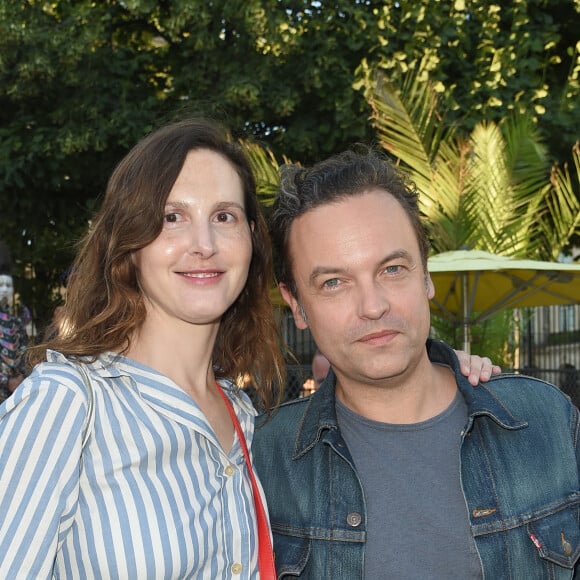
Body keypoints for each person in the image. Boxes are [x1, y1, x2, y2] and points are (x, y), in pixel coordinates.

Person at [252, 147, 580, 578]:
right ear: (296, 304)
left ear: (425, 274)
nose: (372, 306)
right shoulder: (263, 461)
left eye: (392, 269)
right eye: (334, 282)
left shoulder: (547, 423)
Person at [0, 118, 286, 578]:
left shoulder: (247, 417)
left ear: (252, 238)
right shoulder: (67, 402)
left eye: (224, 216)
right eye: (172, 217)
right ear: (130, 244)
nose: (204, 244)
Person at [0, 270, 30, 403]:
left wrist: (21, 377)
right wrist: (5, 381)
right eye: (1, 285)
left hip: (16, 392)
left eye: (8, 285)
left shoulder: (17, 323)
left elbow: (25, 350)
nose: (5, 289)